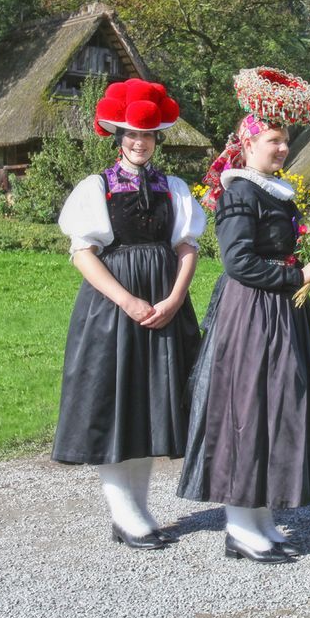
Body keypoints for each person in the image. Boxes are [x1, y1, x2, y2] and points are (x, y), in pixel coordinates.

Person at [179, 67, 310, 564]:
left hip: (281, 313)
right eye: (273, 140)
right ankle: (240, 526)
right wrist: (297, 275)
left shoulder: (274, 190)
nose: (282, 148)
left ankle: (262, 518)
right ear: (248, 145)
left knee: (278, 407)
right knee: (249, 411)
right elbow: (238, 262)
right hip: (251, 314)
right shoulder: (240, 191)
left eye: (285, 140)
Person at [54, 79, 206, 550]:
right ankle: (125, 513)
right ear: (118, 138)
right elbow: (83, 254)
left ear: (157, 140)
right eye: (131, 136)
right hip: (114, 309)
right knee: (118, 404)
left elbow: (187, 245)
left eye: (148, 136)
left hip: (165, 303)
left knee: (150, 407)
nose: (140, 144)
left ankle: (136, 511)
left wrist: (177, 297)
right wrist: (127, 300)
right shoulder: (95, 187)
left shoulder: (173, 187)